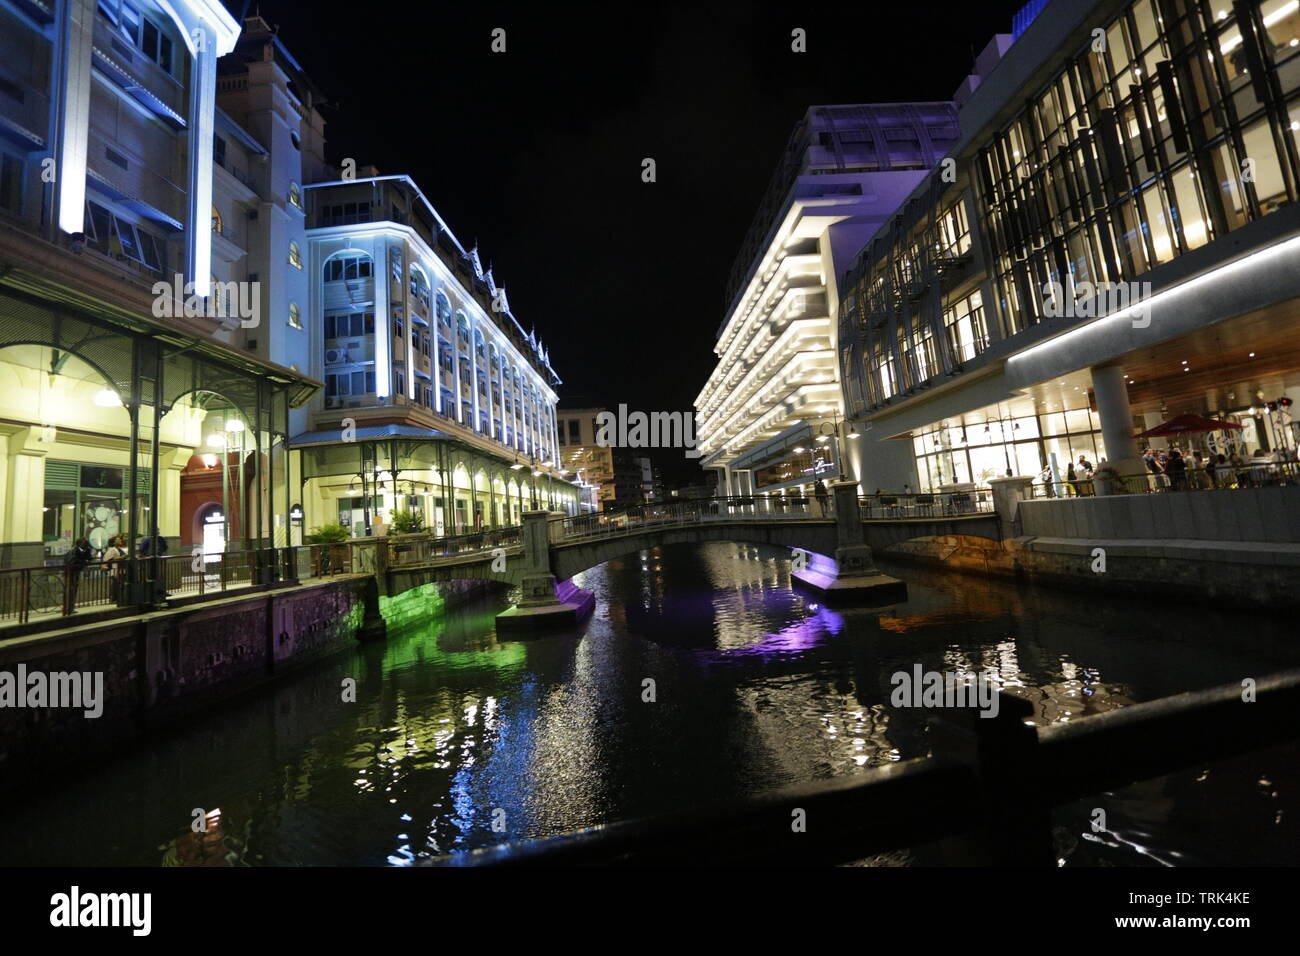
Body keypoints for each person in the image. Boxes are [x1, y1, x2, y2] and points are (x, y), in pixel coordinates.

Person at [63, 537, 94, 613]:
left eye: (87, 543)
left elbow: (90, 558)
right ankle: (68, 608)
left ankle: (71, 607)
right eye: (84, 543)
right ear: (79, 544)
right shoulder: (74, 551)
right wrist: (84, 561)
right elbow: (72, 561)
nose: (86, 545)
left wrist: (86, 560)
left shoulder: (87, 550)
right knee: (71, 589)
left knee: (74, 589)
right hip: (70, 572)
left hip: (77, 571)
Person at [101, 534, 127, 603]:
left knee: (118, 585)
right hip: (116, 570)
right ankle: (114, 599)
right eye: (117, 539)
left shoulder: (117, 549)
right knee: (116, 585)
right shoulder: (112, 549)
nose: (119, 540)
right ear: (114, 542)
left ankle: (117, 598)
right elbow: (106, 559)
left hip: (119, 570)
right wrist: (123, 557)